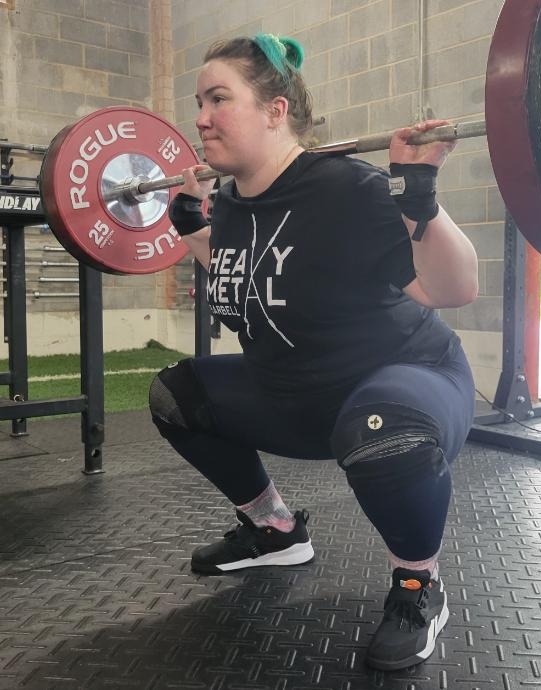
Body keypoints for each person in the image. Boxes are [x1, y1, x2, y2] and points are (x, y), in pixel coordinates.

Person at [148, 33, 478, 671]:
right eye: (199, 102)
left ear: (275, 110)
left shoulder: (346, 189)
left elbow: (453, 287)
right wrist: (192, 226)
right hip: (298, 394)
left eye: (219, 99)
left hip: (407, 383)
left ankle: (418, 585)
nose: (201, 118)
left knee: (381, 426)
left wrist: (418, 196)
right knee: (176, 394)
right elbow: (248, 271)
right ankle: (275, 531)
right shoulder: (236, 199)